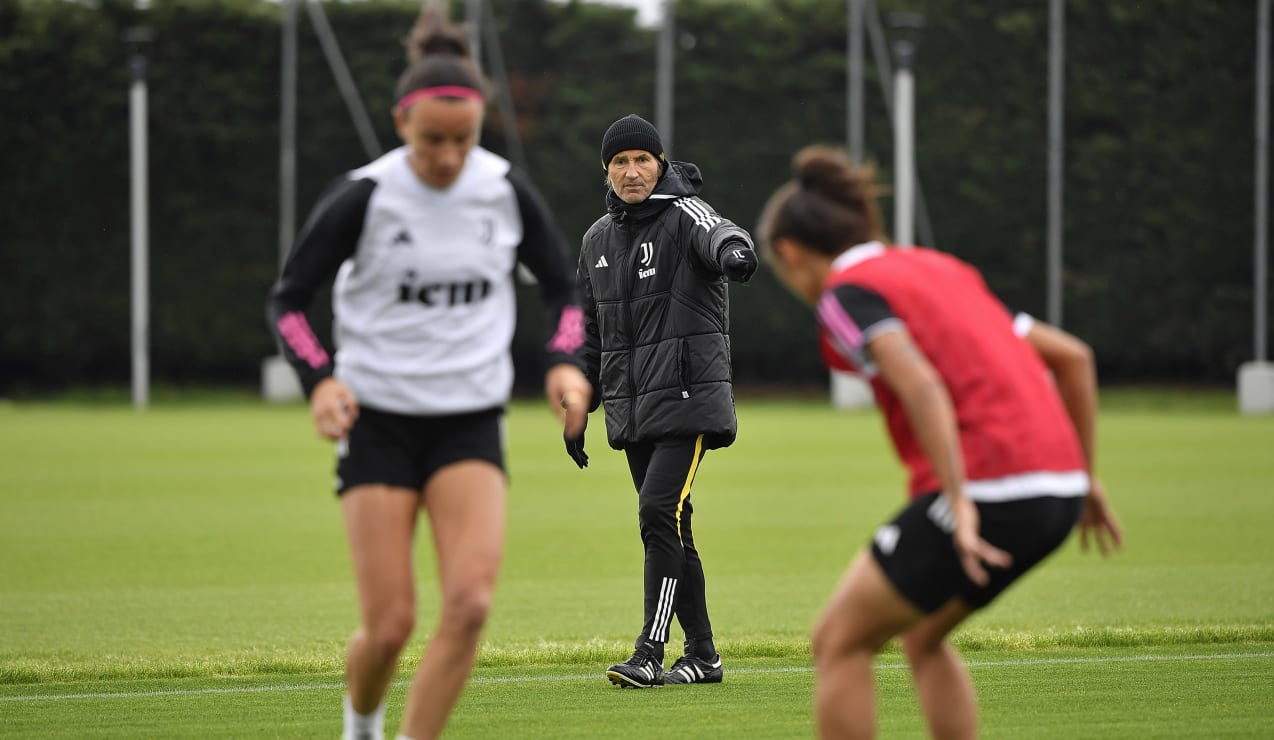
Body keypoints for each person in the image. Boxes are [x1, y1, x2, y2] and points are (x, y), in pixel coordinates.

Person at [265, 8, 592, 739]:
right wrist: (320, 378)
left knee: (471, 604)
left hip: (468, 422)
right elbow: (289, 301)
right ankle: (362, 725)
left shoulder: (504, 190)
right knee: (389, 626)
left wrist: (565, 364)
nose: (448, 157)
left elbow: (564, 290)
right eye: (431, 141)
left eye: (464, 140)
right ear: (400, 123)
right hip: (377, 421)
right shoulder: (365, 193)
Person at [755, 146, 1124, 738]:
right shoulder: (942, 269)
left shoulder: (843, 295)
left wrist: (957, 499)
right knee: (922, 636)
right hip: (1055, 490)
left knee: (839, 641)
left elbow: (922, 383)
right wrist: (1084, 476)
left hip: (989, 489)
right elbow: (1073, 357)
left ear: (791, 253)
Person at [567, 114, 759, 688]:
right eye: (620, 162)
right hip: (634, 410)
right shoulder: (597, 239)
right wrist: (580, 404)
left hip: (687, 398)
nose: (632, 172)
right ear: (606, 170)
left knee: (656, 514)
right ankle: (703, 656)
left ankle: (650, 651)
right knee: (673, 528)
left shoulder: (683, 214)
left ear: (661, 165)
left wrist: (734, 252)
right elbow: (589, 333)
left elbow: (723, 230)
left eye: (642, 160)